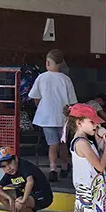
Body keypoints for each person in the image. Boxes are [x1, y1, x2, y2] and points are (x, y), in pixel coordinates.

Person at [29, 49, 78, 182]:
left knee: (52, 144)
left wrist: (42, 106)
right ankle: (65, 165)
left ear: (47, 62)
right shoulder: (66, 79)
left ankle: (52, 169)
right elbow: (72, 102)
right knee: (63, 144)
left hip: (46, 118)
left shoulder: (41, 77)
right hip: (63, 117)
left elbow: (35, 97)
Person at [0, 146, 53, 212]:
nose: (8, 168)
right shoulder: (10, 173)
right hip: (28, 196)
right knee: (0, 195)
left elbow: (30, 181)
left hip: (43, 196)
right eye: (4, 166)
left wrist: (23, 199)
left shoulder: (24, 166)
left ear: (16, 159)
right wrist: (9, 198)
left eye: (9, 163)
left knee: (20, 203)